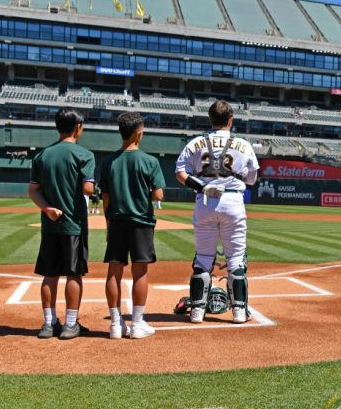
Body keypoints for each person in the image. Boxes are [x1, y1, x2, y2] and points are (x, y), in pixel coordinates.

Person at [175, 100, 259, 324]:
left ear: (210, 119)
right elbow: (252, 178)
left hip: (205, 199)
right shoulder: (244, 144)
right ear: (230, 121)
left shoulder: (195, 143)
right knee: (235, 259)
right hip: (232, 200)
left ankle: (197, 312)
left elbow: (180, 173)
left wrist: (202, 185)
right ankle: (239, 311)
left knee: (203, 259)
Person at [27, 108, 96, 339]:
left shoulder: (42, 156)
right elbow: (88, 188)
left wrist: (47, 209)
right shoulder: (84, 155)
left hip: (49, 224)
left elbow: (33, 191)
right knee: (73, 274)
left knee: (49, 275)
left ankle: (48, 324)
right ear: (78, 127)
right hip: (73, 225)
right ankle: (70, 324)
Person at [100, 112, 167, 340]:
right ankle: (137, 324)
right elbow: (158, 194)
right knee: (140, 273)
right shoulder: (150, 162)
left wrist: (108, 225)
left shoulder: (108, 161)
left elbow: (105, 199)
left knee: (114, 271)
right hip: (141, 223)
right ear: (138, 133)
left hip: (116, 221)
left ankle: (115, 325)